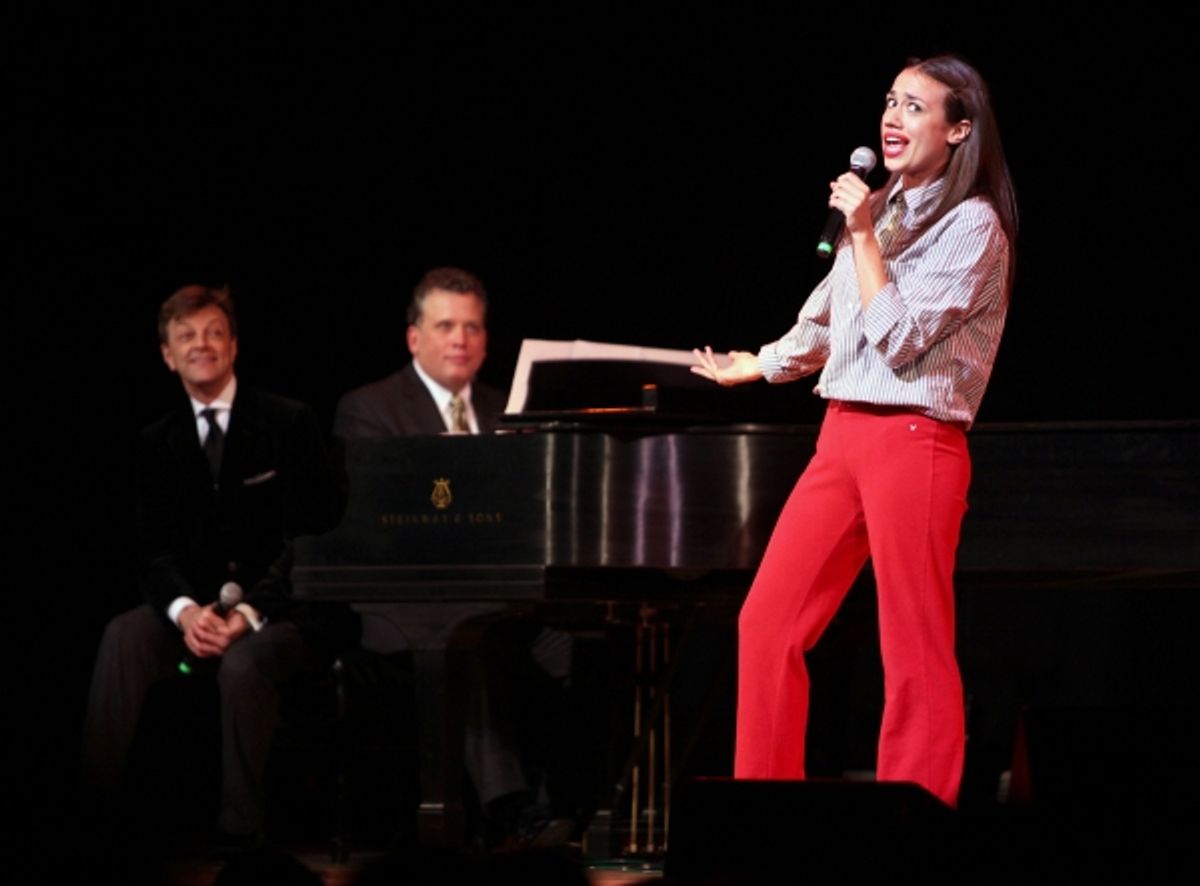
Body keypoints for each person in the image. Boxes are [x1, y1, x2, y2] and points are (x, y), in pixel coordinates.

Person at [691, 54, 1017, 807]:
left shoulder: (972, 224)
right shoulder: (884, 209)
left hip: (915, 439)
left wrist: (864, 235)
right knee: (767, 622)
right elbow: (830, 318)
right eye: (891, 102)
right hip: (840, 436)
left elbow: (898, 338)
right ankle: (762, 811)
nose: (893, 118)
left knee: (912, 642)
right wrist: (761, 363)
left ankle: (918, 814)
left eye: (915, 106)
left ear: (959, 129)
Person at [82, 284, 345, 852]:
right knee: (123, 636)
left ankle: (240, 831)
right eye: (186, 336)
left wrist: (248, 613)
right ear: (167, 355)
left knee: (244, 663)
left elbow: (309, 539)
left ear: (233, 346)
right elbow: (152, 552)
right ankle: (93, 820)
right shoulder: (156, 441)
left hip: (283, 613)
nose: (201, 344)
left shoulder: (289, 421)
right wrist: (185, 613)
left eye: (213, 333)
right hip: (198, 612)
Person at [334, 267, 578, 850]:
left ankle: (579, 801)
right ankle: (510, 810)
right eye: (445, 326)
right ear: (414, 337)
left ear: (487, 339)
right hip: (406, 606)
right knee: (465, 635)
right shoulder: (369, 409)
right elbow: (373, 526)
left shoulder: (509, 411)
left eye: (472, 327)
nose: (460, 340)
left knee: (585, 645)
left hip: (509, 602)